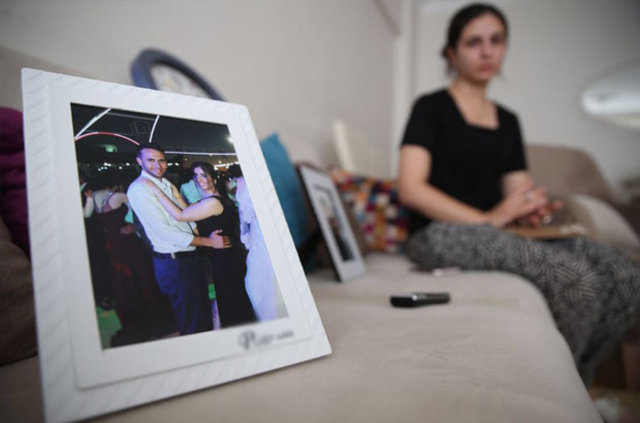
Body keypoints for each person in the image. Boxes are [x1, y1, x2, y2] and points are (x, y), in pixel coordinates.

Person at [397, 3, 640, 386]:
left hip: (499, 231)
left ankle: (580, 381)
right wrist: (487, 219)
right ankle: (557, 389)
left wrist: (528, 210)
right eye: (473, 42)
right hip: (439, 232)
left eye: (496, 40)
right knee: (574, 278)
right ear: (451, 53)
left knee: (627, 276)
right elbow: (410, 189)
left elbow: (516, 192)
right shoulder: (430, 108)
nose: (487, 51)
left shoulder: (508, 121)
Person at [127, 145, 230, 336]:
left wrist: (198, 229)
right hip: (174, 262)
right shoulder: (140, 188)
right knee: (192, 323)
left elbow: (185, 215)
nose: (158, 165)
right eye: (151, 160)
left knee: (202, 314)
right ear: (139, 161)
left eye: (161, 160)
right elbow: (165, 231)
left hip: (188, 259)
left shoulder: (164, 183)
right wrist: (208, 242)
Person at [144, 161, 257, 328]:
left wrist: (157, 192)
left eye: (204, 175)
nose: (200, 179)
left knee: (234, 305)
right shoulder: (207, 200)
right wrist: (175, 192)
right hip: (222, 259)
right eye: (196, 176)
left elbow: (181, 216)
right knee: (231, 302)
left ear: (214, 178)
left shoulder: (213, 203)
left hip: (227, 261)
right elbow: (191, 216)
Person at [84, 170, 176, 345]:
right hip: (126, 240)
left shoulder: (94, 196)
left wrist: (89, 199)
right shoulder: (118, 196)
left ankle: (131, 311)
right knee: (141, 272)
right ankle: (150, 309)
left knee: (123, 277)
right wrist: (134, 226)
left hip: (111, 242)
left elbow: (87, 215)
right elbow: (141, 209)